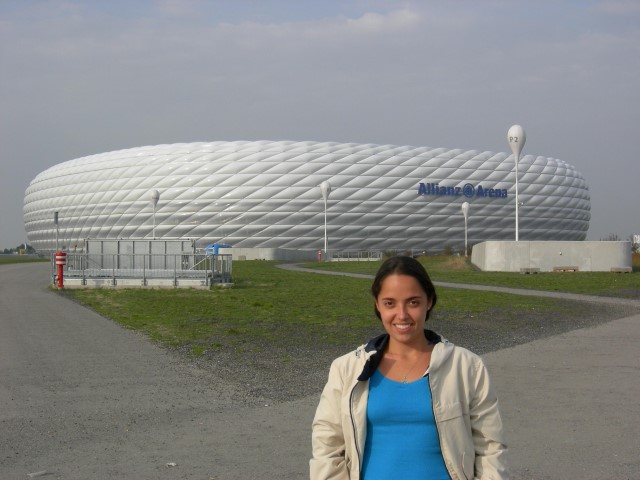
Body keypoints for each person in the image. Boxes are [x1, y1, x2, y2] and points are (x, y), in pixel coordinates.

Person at [310, 256, 508, 480]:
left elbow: (490, 448)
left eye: (413, 302)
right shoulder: (347, 369)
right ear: (377, 304)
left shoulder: (466, 367)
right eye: (390, 303)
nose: (402, 315)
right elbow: (327, 445)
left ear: (429, 301)